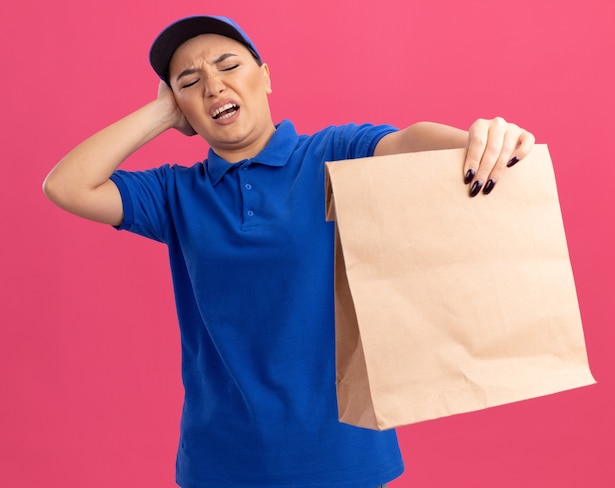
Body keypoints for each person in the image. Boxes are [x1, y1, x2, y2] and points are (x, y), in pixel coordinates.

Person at [43, 15, 535, 488]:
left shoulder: (331, 154)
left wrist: (481, 137)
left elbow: (410, 142)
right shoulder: (175, 195)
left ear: (266, 77)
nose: (213, 85)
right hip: (221, 464)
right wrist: (160, 113)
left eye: (228, 65)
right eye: (189, 81)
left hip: (345, 458)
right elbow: (66, 186)